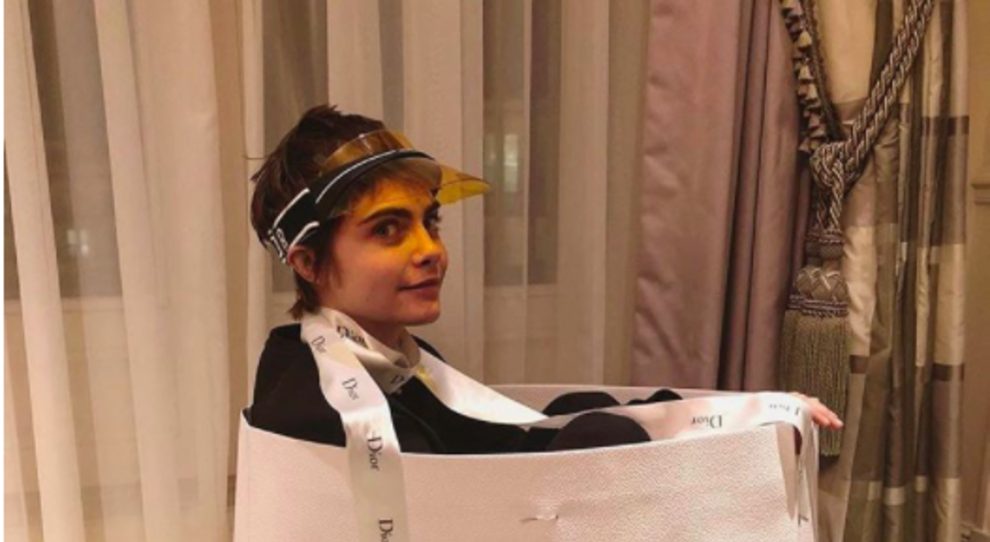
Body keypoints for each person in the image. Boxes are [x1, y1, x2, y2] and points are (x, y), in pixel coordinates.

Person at [248, 104, 843, 450]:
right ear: (306, 260)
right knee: (596, 436)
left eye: (430, 222)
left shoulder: (395, 360)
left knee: (581, 411)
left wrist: (739, 416)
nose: (430, 250)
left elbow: (506, 440)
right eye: (387, 230)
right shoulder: (323, 408)